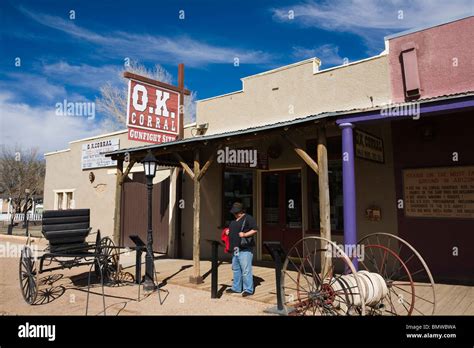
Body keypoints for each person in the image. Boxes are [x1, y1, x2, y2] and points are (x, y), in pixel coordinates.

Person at [225, 202, 258, 297]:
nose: (235, 214)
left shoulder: (248, 218)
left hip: (245, 248)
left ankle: (248, 289)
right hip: (235, 248)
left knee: (246, 270)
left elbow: (255, 229)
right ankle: (236, 288)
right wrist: (228, 231)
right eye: (234, 212)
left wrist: (245, 234)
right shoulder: (234, 220)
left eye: (236, 212)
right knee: (236, 269)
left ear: (241, 211)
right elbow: (233, 229)